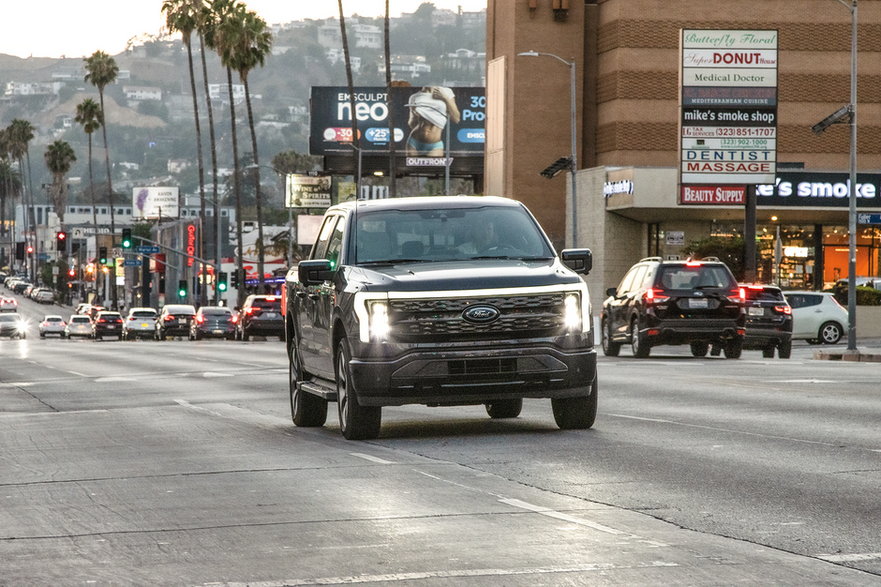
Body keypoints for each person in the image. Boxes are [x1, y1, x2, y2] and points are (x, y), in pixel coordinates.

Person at [405, 86, 461, 157]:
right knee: (411, 168)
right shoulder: (414, 97)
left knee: (433, 168)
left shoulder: (446, 92)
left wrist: (445, 98)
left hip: (435, 145)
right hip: (414, 142)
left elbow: (456, 118)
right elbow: (411, 123)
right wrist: (414, 111)